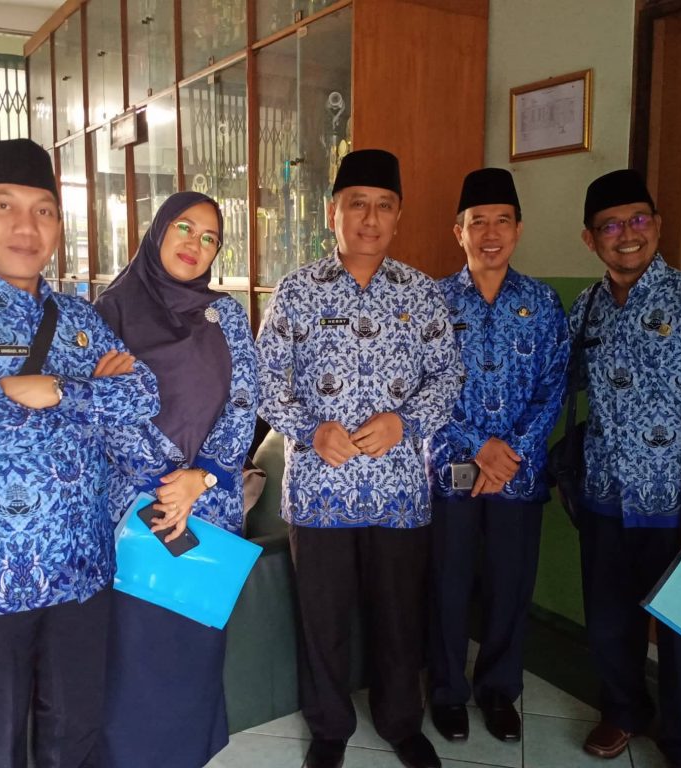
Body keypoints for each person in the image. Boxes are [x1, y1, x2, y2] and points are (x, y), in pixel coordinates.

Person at [0, 138, 159, 767]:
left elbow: (144, 394)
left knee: (75, 734)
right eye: (4, 206)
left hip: (81, 565)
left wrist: (52, 390)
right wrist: (92, 399)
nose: (26, 226)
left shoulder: (78, 318)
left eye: (43, 210)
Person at [255, 148, 462, 768]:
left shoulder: (421, 293)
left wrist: (405, 422)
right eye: (357, 205)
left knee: (399, 617)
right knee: (323, 619)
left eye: (383, 206)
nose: (370, 219)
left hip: (399, 493)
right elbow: (266, 381)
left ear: (398, 217)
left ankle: (401, 722)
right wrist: (309, 429)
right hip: (319, 492)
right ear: (332, 213)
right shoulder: (296, 292)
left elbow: (447, 377)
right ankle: (328, 727)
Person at [571, 170, 681, 768]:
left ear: (658, 225)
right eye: (610, 225)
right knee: (608, 623)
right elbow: (560, 383)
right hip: (602, 496)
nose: (628, 234)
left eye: (639, 219)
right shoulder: (587, 309)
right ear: (590, 239)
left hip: (674, 504)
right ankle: (623, 711)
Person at [92, 191, 259, 768]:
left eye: (210, 237)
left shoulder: (227, 314)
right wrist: (167, 481)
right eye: (185, 228)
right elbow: (106, 408)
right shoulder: (110, 311)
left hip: (207, 513)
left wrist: (201, 478)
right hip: (133, 515)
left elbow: (244, 402)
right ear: (158, 230)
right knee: (133, 659)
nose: (195, 244)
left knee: (194, 651)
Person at [426, 168, 569, 744]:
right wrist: (479, 447)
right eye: (477, 222)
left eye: (502, 221)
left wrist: (512, 453)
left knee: (510, 587)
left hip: (519, 474)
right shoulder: (433, 301)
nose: (490, 233)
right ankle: (446, 692)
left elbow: (554, 386)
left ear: (518, 229)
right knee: (448, 584)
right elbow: (423, 388)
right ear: (457, 231)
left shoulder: (543, 301)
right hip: (450, 471)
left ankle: (499, 691)